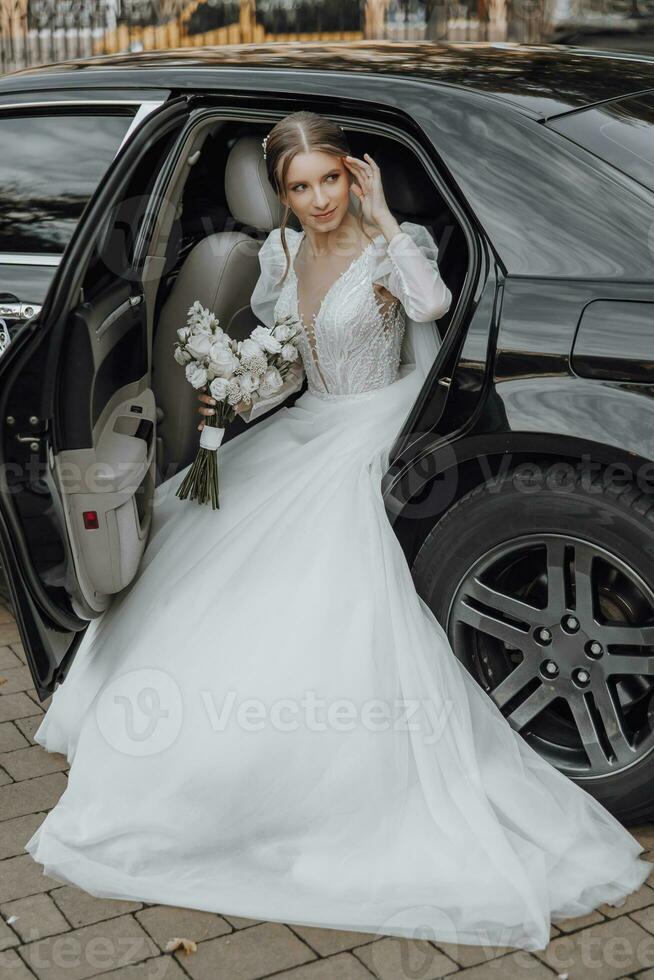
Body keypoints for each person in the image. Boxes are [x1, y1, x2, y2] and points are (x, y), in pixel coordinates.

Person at [25, 110, 652, 953]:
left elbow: (430, 307)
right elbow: (291, 355)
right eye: (299, 186)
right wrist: (236, 385)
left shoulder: (401, 247)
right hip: (311, 421)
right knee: (195, 530)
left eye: (330, 180)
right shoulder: (279, 257)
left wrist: (388, 221)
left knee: (313, 579)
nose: (319, 201)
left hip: (378, 425)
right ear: (279, 195)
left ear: (351, 178)